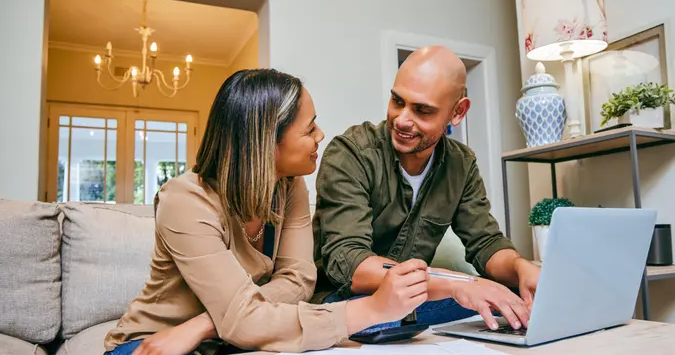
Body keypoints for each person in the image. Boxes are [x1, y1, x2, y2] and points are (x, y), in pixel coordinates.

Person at [103, 69, 431, 355]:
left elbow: (300, 280)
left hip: (224, 339)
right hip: (154, 343)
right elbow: (244, 318)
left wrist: (206, 324)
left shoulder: (289, 187)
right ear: (266, 143)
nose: (320, 135)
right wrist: (373, 309)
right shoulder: (185, 200)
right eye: (309, 128)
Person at [311, 46, 541, 332]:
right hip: (347, 301)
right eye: (397, 101)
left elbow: (486, 244)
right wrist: (458, 283)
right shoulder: (352, 153)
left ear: (458, 112)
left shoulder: (461, 163)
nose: (402, 119)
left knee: (521, 297)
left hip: (415, 301)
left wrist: (521, 268)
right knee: (400, 317)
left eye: (422, 110)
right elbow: (349, 263)